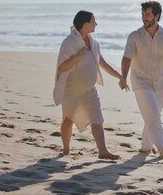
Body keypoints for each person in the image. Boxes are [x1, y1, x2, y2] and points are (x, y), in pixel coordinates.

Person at [53, 10, 124, 160]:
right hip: (71, 90)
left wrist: (120, 77)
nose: (96, 24)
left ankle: (103, 151)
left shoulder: (94, 43)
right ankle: (66, 150)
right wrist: (78, 56)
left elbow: (102, 63)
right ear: (85, 24)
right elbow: (61, 68)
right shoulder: (69, 43)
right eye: (93, 22)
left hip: (90, 90)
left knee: (97, 119)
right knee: (68, 120)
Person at [121, 1, 163, 158]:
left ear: (157, 15)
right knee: (154, 115)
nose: (144, 18)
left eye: (148, 15)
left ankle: (146, 147)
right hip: (140, 81)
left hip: (160, 83)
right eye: (143, 15)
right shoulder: (134, 36)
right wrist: (123, 76)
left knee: (152, 116)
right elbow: (126, 58)